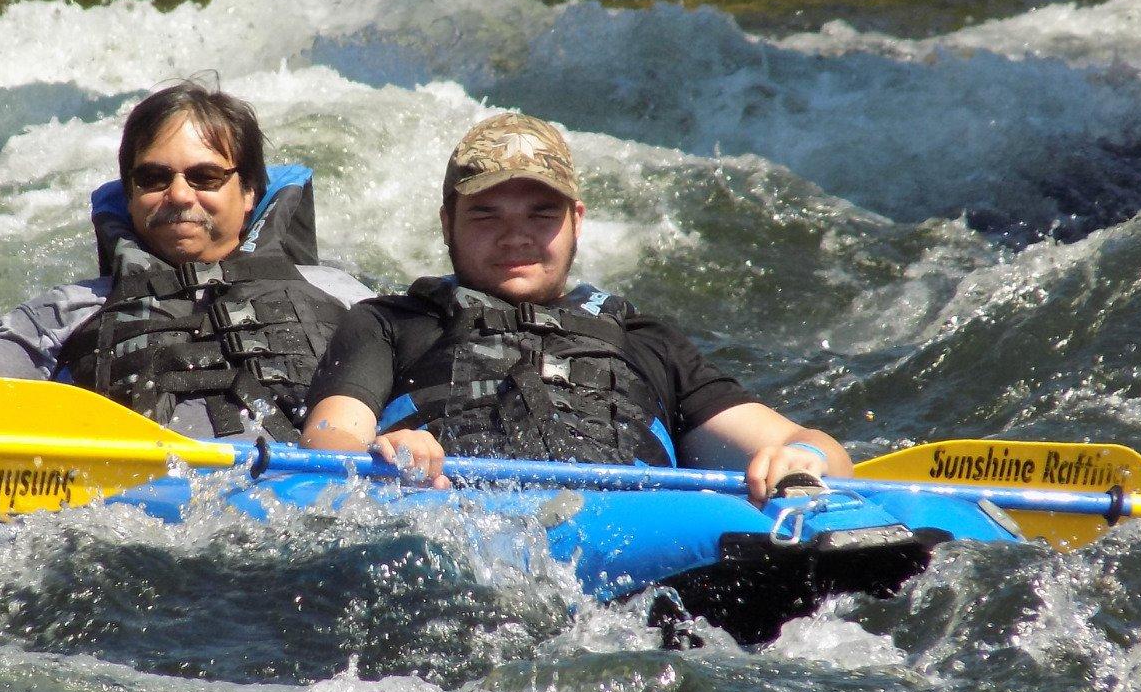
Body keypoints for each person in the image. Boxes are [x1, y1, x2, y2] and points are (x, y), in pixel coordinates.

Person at [299, 112, 851, 501]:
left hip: (640, 535)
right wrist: (383, 451)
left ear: (576, 221)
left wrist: (805, 460)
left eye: (541, 215)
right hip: (455, 522)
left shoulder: (644, 339)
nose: (516, 238)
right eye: (487, 215)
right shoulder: (389, 322)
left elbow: (803, 444)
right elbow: (329, 438)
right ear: (448, 224)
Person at [0, 79, 374, 441]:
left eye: (205, 176)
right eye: (153, 178)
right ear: (131, 195)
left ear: (249, 193)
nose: (179, 195)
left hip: (308, 504)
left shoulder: (341, 296)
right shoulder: (61, 313)